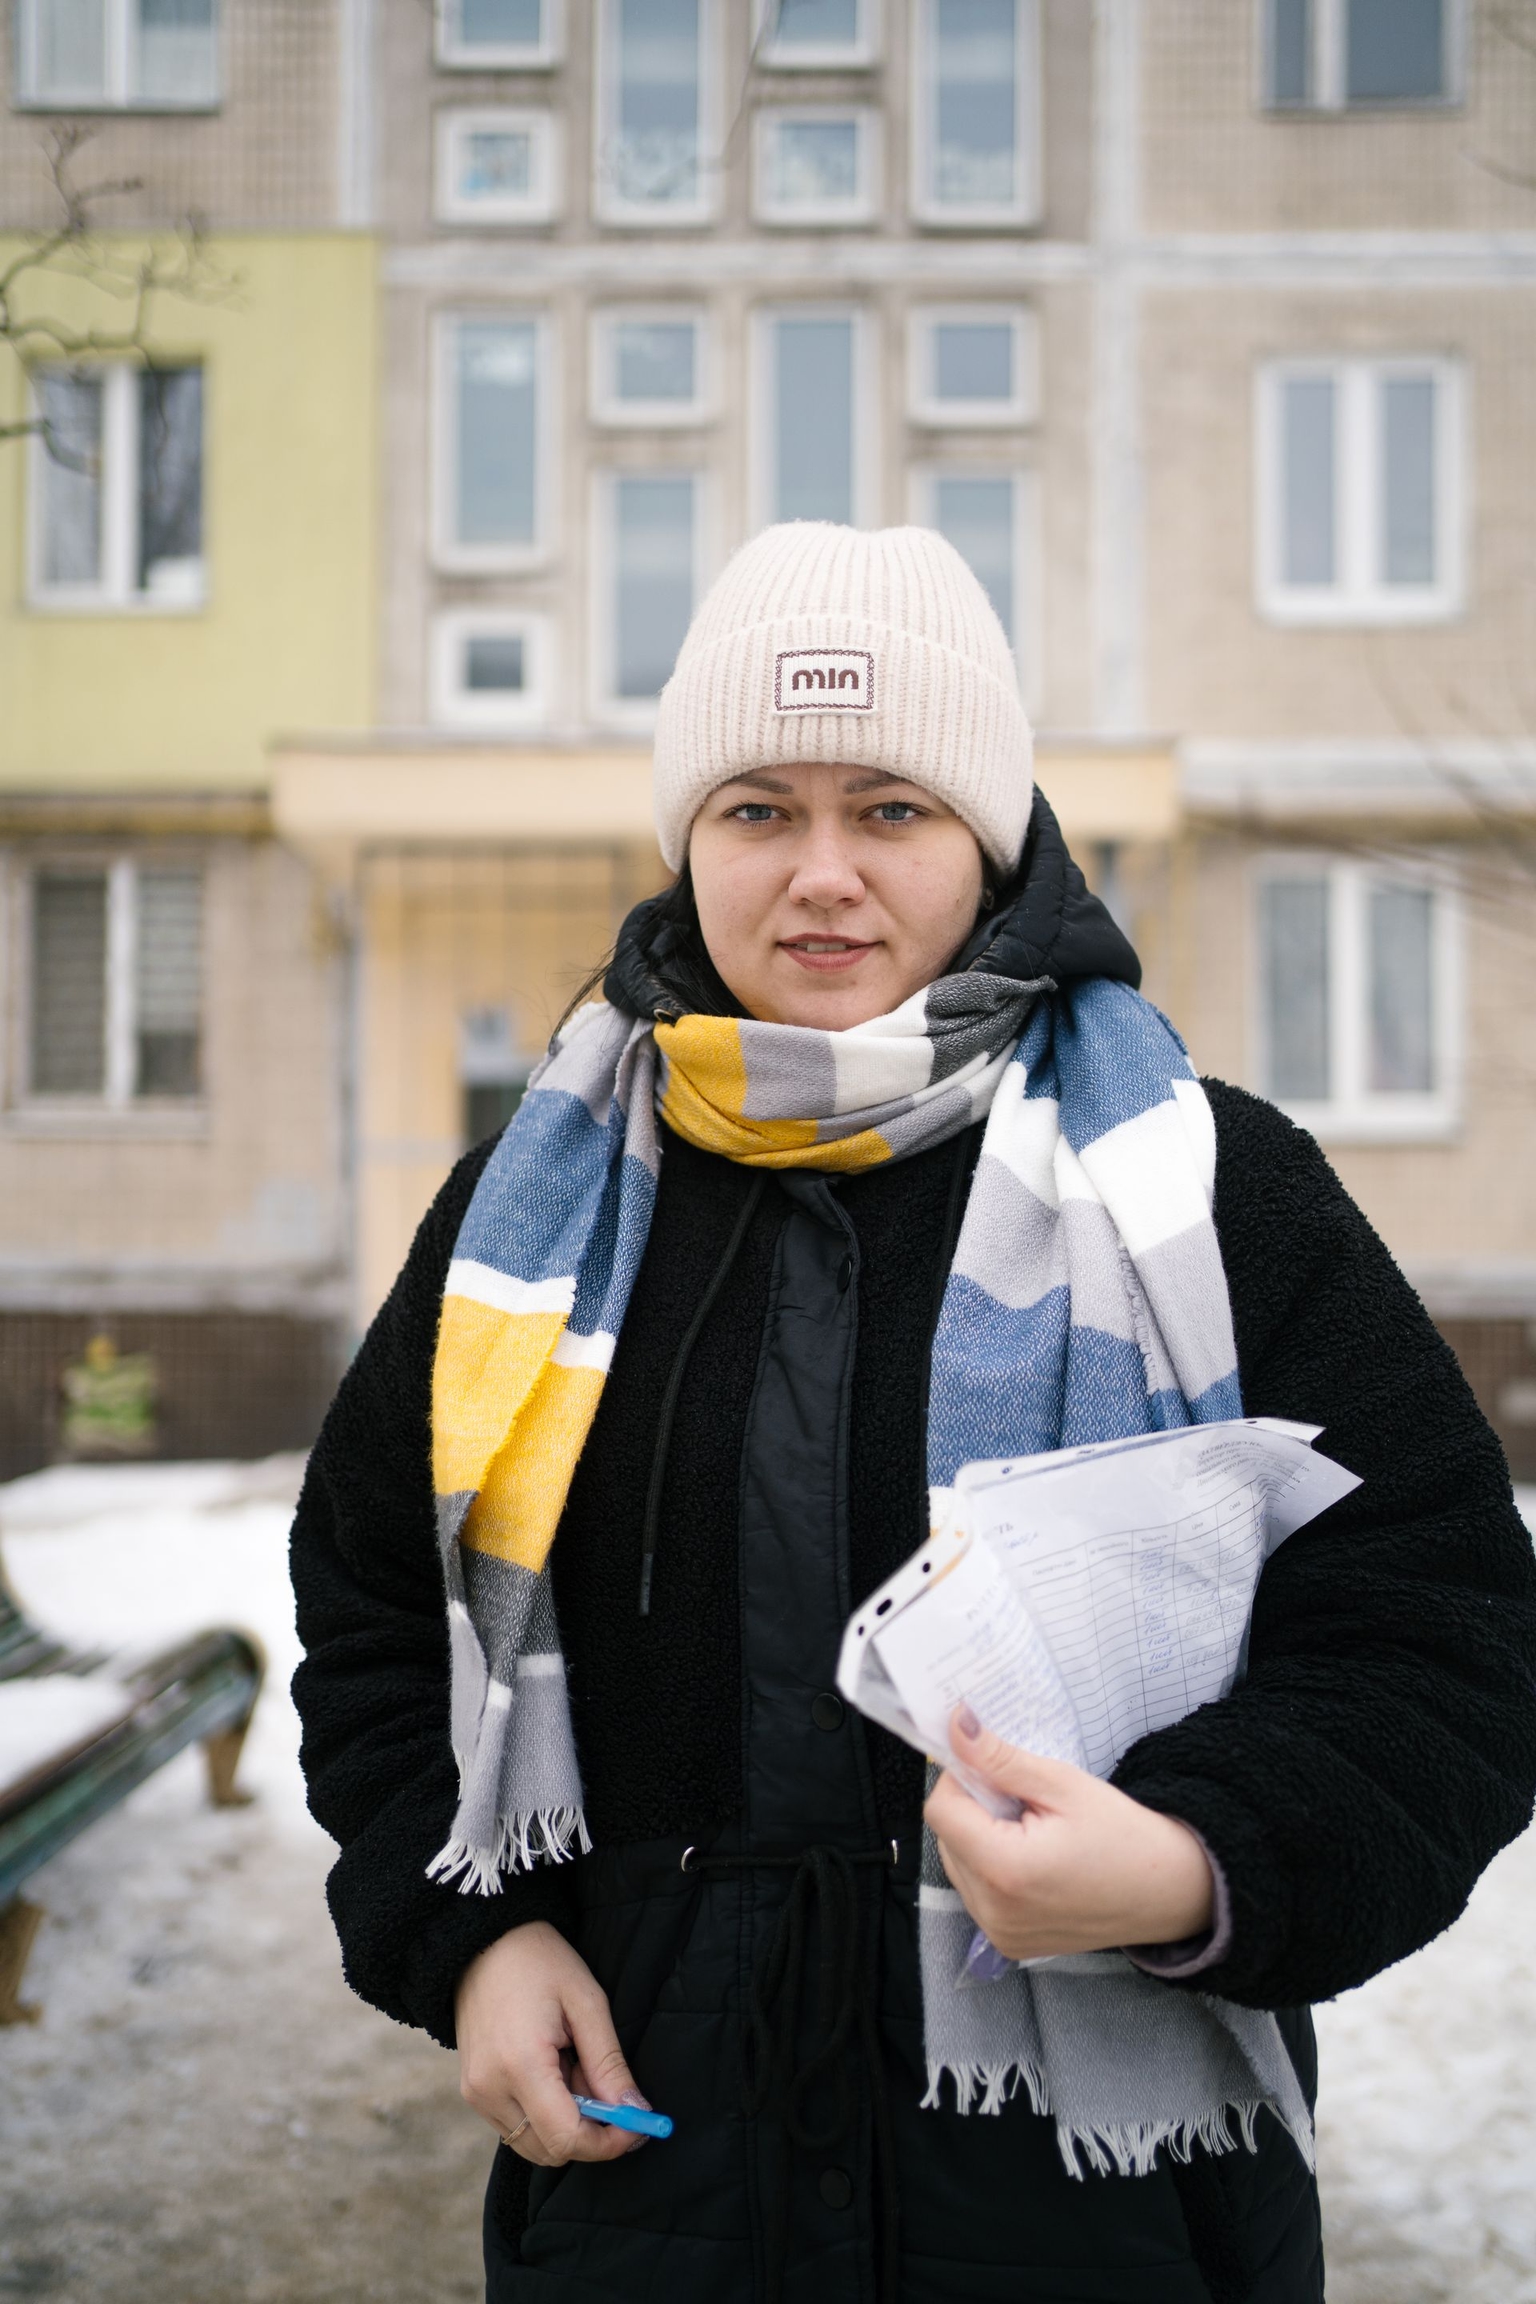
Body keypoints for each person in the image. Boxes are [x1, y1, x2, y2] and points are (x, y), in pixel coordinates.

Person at [291, 523, 1536, 2304]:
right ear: (687, 840)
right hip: (657, 2187)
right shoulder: (528, 1213)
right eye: (757, 810)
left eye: (890, 809)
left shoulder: (1205, 1188)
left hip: (1097, 2215)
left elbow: (1445, 1639)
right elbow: (372, 1615)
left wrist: (1196, 1864)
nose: (822, 877)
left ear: (989, 839)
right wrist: (472, 1936)